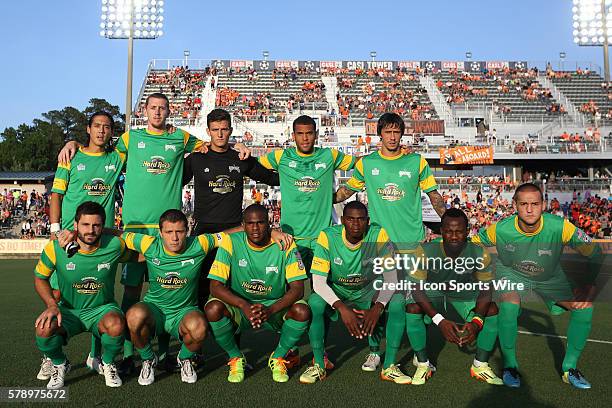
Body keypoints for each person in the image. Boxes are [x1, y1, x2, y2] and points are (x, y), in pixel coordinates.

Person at [58, 93, 249, 374]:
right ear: (144, 110)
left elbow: (213, 145)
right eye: (153, 108)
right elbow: (99, 148)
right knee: (130, 292)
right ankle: (125, 353)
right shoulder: (130, 139)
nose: (158, 113)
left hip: (168, 230)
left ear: (169, 111)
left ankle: (165, 354)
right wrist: (73, 142)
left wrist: (237, 145)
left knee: (168, 290)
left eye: (162, 108)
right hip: (135, 228)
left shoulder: (181, 138)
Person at [333, 112, 446, 373]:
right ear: (380, 134)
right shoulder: (366, 164)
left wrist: (452, 222)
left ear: (401, 134)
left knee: (414, 304)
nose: (392, 137)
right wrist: (317, 198)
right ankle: (374, 352)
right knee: (375, 302)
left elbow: (434, 196)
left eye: (397, 132)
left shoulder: (416, 163)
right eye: (388, 132)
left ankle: (420, 354)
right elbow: (345, 192)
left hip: (413, 245)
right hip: (379, 246)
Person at [474, 183, 603, 389]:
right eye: (523, 203)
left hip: (549, 277)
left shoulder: (561, 226)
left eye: (535, 203)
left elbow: (595, 253)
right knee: (509, 304)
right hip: (512, 274)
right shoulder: (500, 229)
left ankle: (569, 369)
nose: (529, 209)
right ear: (514, 204)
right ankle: (510, 366)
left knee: (584, 307)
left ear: (543, 205)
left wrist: (589, 284)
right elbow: (472, 244)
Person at [42, 111, 125, 377]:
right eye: (97, 126)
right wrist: (56, 231)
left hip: (102, 239)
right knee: (57, 296)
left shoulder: (117, 157)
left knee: (100, 296)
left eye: (108, 127)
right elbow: (56, 195)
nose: (102, 131)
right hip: (69, 238)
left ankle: (96, 355)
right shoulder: (71, 157)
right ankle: (51, 356)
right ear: (88, 129)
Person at [299, 201, 407, 384]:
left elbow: (391, 279)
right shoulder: (327, 236)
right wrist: (342, 308)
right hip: (339, 289)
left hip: (368, 288)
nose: (356, 224)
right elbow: (318, 283)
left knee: (397, 302)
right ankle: (319, 364)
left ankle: (388, 366)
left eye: (361, 219)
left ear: (368, 221)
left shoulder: (378, 234)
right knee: (315, 303)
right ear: (342, 220)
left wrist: (378, 307)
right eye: (350, 219)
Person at [183, 108, 280, 309]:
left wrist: (297, 170)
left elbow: (272, 178)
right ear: (208, 131)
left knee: (230, 282)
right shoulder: (196, 158)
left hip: (234, 230)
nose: (220, 134)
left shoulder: (240, 158)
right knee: (200, 282)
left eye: (224, 129)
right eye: (215, 129)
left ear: (231, 130)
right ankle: (198, 328)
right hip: (204, 229)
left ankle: (232, 329)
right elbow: (170, 181)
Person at [120, 209, 230, 385]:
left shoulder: (200, 243)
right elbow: (119, 234)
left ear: (187, 231)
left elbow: (228, 234)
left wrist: (272, 232)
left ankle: (184, 358)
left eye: (179, 231)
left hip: (184, 312)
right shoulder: (149, 244)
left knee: (200, 327)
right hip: (154, 309)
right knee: (133, 316)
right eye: (169, 232)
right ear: (160, 232)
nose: (174, 237)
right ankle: (148, 359)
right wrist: (75, 234)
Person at [33, 202, 135, 389]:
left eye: (96, 225)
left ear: (103, 227)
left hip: (102, 310)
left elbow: (142, 255)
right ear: (75, 225)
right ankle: (59, 363)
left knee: (117, 323)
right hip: (69, 311)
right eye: (85, 225)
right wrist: (51, 305)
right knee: (43, 328)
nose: (91, 230)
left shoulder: (114, 245)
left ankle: (107, 362)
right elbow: (40, 278)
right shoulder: (54, 248)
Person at [205, 204, 311, 383]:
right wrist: (244, 305)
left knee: (302, 311)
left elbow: (298, 289)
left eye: (261, 222)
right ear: (243, 225)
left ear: (269, 223)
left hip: (274, 307)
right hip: (241, 306)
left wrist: (270, 310)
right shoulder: (231, 242)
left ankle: (278, 357)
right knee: (213, 308)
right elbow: (215, 286)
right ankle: (236, 357)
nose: (255, 228)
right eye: (250, 223)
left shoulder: (285, 244)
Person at [405, 209, 502, 385]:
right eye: (449, 231)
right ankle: (423, 363)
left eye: (459, 231)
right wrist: (439, 320)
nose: (454, 236)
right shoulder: (425, 251)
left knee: (492, 309)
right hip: (432, 291)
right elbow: (417, 290)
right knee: (413, 307)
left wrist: (477, 321)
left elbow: (486, 290)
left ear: (468, 231)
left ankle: (480, 365)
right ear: (441, 231)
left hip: (461, 291)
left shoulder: (480, 253)